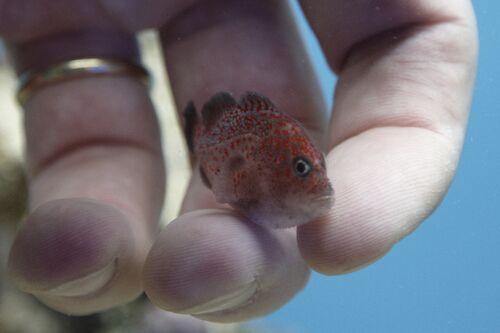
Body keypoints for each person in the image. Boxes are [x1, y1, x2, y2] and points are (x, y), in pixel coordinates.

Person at [2, 0, 478, 322]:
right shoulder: (254, 159)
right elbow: (233, 171)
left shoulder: (287, 163)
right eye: (302, 169)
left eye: (310, 169)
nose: (317, 181)